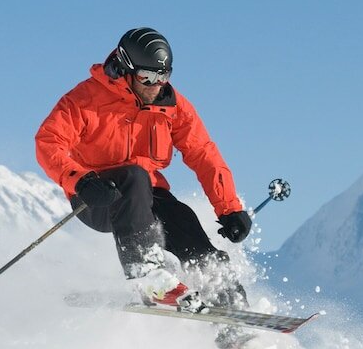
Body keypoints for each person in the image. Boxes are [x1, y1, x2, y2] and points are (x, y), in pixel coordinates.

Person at [35, 27, 253, 309]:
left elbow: (203, 153)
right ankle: (147, 275)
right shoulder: (85, 99)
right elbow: (48, 142)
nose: (156, 85)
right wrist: (80, 181)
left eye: (163, 76)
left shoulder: (171, 105)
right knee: (134, 176)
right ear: (125, 69)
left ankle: (237, 326)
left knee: (185, 223)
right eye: (147, 77)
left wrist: (229, 208)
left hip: (146, 197)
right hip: (97, 198)